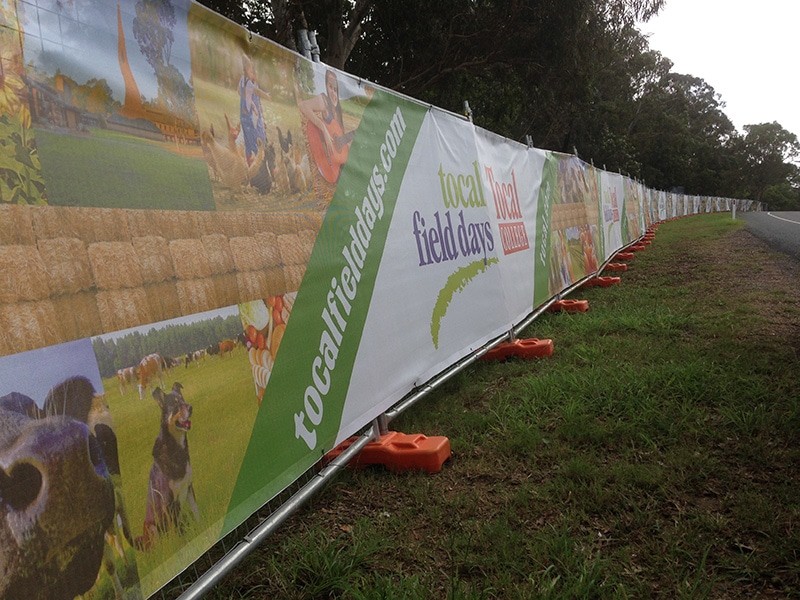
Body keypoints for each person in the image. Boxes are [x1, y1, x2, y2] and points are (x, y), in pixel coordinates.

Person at [298, 69, 353, 183]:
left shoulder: (338, 110)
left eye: (335, 89)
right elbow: (303, 106)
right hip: (324, 158)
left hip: (334, 163)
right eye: (330, 87)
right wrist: (323, 129)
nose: (333, 92)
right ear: (326, 87)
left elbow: (340, 137)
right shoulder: (325, 101)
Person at [238, 54, 270, 165]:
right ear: (247, 71)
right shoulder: (248, 82)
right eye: (252, 72)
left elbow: (245, 94)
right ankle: (255, 162)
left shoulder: (244, 81)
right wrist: (266, 95)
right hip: (250, 118)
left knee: (252, 138)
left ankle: (255, 160)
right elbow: (255, 92)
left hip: (248, 116)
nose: (253, 75)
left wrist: (253, 105)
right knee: (253, 139)